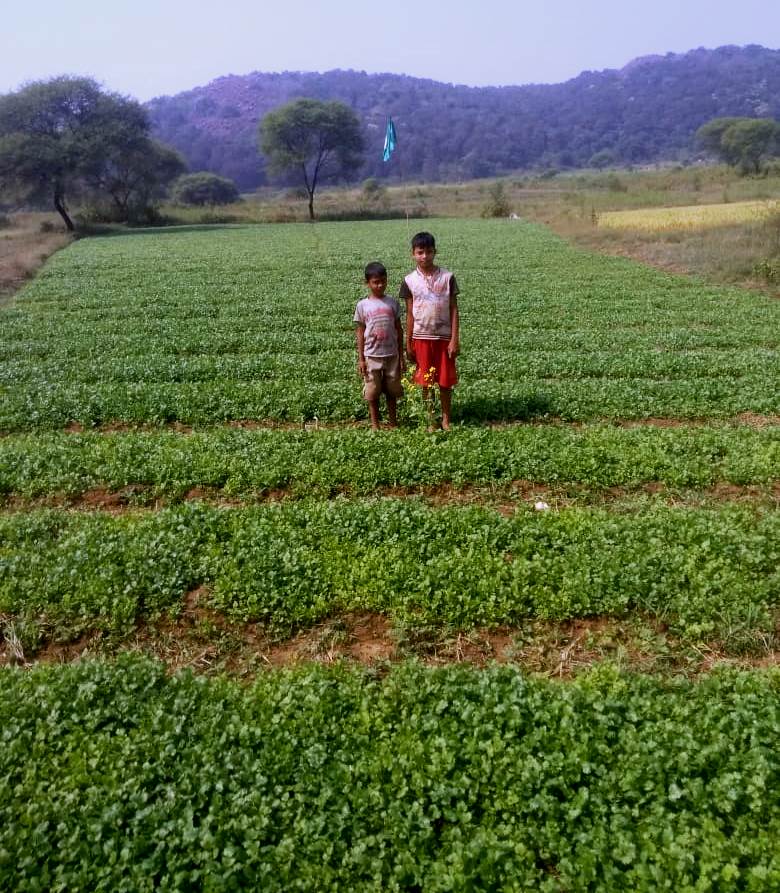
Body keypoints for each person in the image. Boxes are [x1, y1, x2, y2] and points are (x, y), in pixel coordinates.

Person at [399, 231, 460, 430]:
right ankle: (430, 419)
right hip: (421, 337)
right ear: (413, 254)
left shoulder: (447, 277)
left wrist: (454, 339)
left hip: (444, 337)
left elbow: (453, 308)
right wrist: (408, 342)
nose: (425, 256)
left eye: (429, 251)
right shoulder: (409, 281)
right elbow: (409, 313)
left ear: (435, 252)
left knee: (444, 381)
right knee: (426, 380)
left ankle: (446, 419)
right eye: (420, 252)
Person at [354, 261, 405, 430]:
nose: (380, 285)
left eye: (383, 281)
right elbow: (360, 333)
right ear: (367, 283)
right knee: (372, 391)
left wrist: (401, 356)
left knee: (392, 389)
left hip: (391, 355)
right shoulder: (362, 305)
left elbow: (399, 330)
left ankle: (393, 422)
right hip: (372, 355)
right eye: (376, 282)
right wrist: (361, 359)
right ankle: (375, 425)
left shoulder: (392, 303)